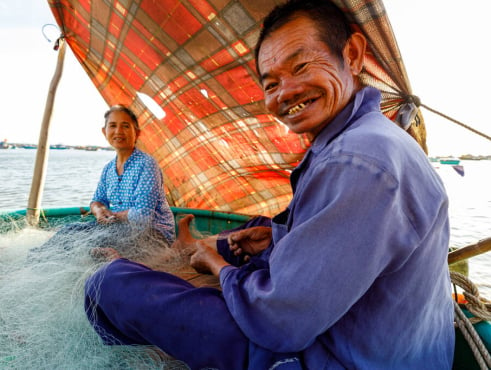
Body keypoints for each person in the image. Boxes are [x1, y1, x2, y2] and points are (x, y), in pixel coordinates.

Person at [83, 1, 454, 369]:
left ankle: (170, 291)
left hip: (333, 355)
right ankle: (185, 262)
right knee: (254, 231)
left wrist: (218, 266)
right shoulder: (361, 140)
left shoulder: (356, 159)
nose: (286, 93)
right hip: (386, 346)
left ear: (352, 55)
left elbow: (280, 321)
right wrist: (275, 239)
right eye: (272, 83)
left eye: (302, 66)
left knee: (112, 283)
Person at [30, 105, 175, 258]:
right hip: (120, 229)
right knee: (69, 230)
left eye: (125, 126)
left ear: (137, 133)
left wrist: (112, 215)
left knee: (92, 242)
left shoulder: (146, 164)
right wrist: (99, 211)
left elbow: (142, 216)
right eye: (112, 126)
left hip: (154, 235)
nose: (118, 131)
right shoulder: (108, 169)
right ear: (104, 131)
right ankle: (35, 259)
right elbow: (97, 200)